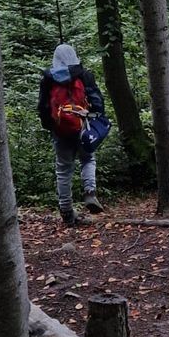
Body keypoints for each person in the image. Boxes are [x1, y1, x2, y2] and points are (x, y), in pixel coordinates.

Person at [37, 42, 106, 226]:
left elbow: (43, 106)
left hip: (60, 130)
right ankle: (90, 192)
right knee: (88, 159)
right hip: (83, 125)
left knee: (63, 169)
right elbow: (97, 100)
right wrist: (96, 118)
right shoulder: (84, 75)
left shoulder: (48, 79)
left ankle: (67, 212)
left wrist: (50, 125)